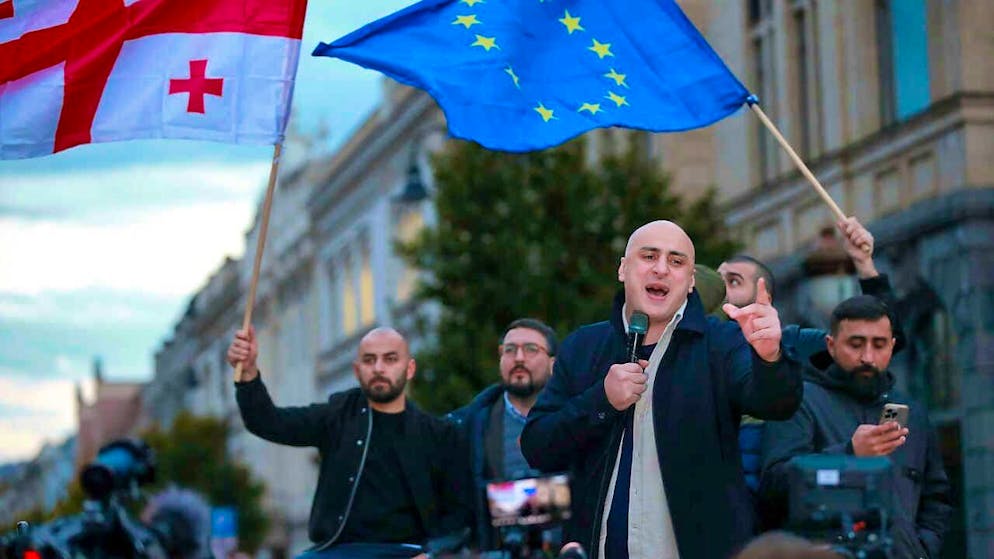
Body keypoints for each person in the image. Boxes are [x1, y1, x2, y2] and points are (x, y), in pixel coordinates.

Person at [520, 220, 803, 559]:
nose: (661, 269)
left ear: (691, 282)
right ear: (623, 269)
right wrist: (602, 401)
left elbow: (777, 404)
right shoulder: (584, 346)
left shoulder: (721, 343)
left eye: (676, 261)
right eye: (649, 256)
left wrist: (770, 357)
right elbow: (538, 445)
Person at [227, 326, 470, 559]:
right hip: (337, 550)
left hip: (407, 551)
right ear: (357, 370)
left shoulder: (438, 434)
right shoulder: (337, 415)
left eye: (390, 359)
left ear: (409, 368)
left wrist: (432, 553)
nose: (378, 368)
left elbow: (459, 512)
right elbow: (268, 422)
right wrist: (248, 374)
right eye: (369, 360)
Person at [718, 217, 904, 499]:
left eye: (733, 281)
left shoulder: (791, 342)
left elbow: (882, 335)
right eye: (716, 279)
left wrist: (865, 265)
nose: (721, 289)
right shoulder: (696, 346)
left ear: (763, 294)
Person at [759, 295, 952, 558]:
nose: (868, 357)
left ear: (892, 346)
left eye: (879, 344)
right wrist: (849, 454)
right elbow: (774, 487)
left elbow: (936, 498)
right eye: (856, 344)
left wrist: (923, 547)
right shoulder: (797, 401)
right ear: (831, 345)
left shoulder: (914, 413)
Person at [447, 318, 558, 551]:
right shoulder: (469, 425)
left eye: (531, 349)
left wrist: (505, 499)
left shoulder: (574, 416)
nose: (518, 358)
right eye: (509, 350)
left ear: (553, 364)